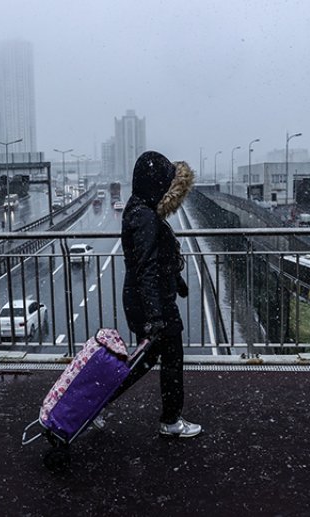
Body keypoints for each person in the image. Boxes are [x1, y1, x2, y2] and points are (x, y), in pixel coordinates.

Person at [111, 150, 201, 438]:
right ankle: (171, 420)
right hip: (152, 303)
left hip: (147, 300)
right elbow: (146, 267)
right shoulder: (146, 217)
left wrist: (177, 282)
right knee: (171, 359)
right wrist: (155, 316)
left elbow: (154, 261)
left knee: (143, 361)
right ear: (155, 184)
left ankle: (98, 402)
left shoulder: (139, 209)